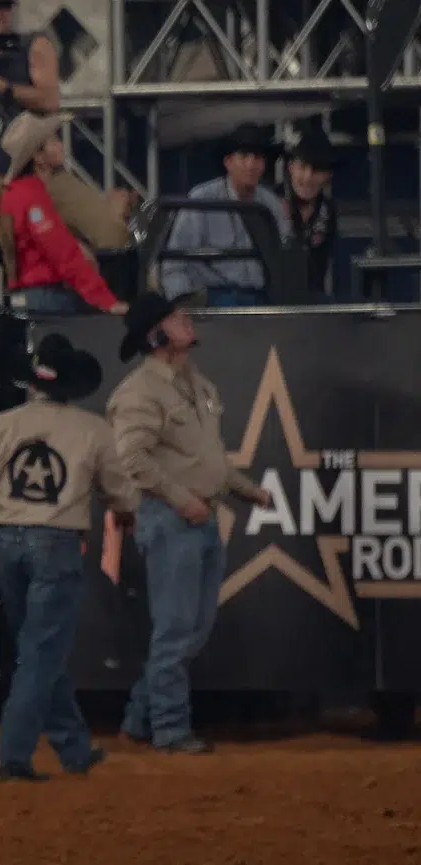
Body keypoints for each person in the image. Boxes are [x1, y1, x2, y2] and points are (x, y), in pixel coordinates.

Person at [0, 333, 138, 780]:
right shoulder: (93, 430)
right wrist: (125, 511)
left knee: (38, 650)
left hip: (5, 544)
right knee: (41, 654)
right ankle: (13, 757)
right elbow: (122, 493)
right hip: (55, 543)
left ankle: (73, 748)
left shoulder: (0, 425)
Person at [107, 292, 273, 753]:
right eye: (177, 318)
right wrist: (181, 500)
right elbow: (131, 458)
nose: (187, 321)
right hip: (170, 518)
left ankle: (139, 720)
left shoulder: (198, 384)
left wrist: (246, 490)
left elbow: (209, 460)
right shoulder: (139, 392)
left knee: (190, 631)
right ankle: (170, 729)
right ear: (156, 335)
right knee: (179, 630)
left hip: (197, 516)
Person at [0, 0, 127, 252]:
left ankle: (118, 283)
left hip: (41, 171)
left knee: (110, 231)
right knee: (5, 243)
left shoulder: (32, 45)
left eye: (3, 6)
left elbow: (50, 101)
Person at [0, 112, 126, 315]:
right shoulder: (33, 198)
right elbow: (62, 252)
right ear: (38, 157)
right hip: (47, 297)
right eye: (53, 141)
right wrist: (106, 300)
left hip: (28, 295)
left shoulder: (14, 194)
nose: (61, 145)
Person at [160, 123, 290, 307]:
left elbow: (283, 256)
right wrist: (181, 300)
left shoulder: (270, 203)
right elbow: (175, 260)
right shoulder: (202, 198)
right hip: (213, 296)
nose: (251, 165)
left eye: (258, 157)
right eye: (244, 156)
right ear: (228, 162)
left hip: (262, 297)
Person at [280, 126, 337, 297]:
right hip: (270, 306)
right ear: (291, 168)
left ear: (327, 175)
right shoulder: (269, 203)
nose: (308, 177)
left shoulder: (328, 210)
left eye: (317, 169)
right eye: (302, 167)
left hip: (312, 306)